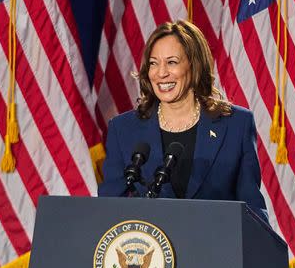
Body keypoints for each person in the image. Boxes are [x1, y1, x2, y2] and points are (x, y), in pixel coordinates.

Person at [98, 20, 268, 221]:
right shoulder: (123, 129)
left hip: (216, 248)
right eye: (154, 63)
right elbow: (108, 209)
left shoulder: (236, 125)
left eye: (172, 62)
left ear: (194, 65)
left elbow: (252, 210)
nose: (161, 73)